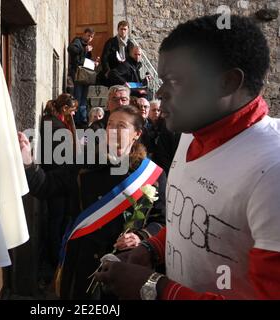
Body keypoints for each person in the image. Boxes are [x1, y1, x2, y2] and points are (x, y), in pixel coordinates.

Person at [95, 14, 280, 300]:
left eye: (175, 81)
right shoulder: (192, 131)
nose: (160, 92)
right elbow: (195, 220)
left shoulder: (272, 170)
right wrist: (152, 248)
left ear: (227, 83)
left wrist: (154, 289)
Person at [18, 106, 167, 299]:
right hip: (82, 259)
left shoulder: (152, 175)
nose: (113, 131)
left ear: (136, 134)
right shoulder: (85, 162)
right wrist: (28, 162)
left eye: (121, 126)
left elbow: (161, 221)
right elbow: (46, 186)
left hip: (125, 262)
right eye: (110, 125)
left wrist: (141, 236)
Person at [39, 94, 78, 284]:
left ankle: (53, 257)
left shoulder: (51, 122)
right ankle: (54, 259)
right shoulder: (56, 126)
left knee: (56, 220)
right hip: (57, 179)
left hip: (54, 177)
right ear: (64, 109)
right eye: (72, 110)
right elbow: (60, 157)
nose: (74, 113)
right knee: (56, 221)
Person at [68, 27, 96, 127]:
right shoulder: (77, 41)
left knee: (84, 98)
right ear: (84, 34)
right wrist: (84, 49)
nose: (89, 38)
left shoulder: (86, 46)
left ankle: (83, 119)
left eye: (91, 37)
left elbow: (85, 60)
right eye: (88, 35)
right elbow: (71, 49)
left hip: (85, 76)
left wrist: (94, 63)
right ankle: (76, 120)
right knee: (78, 97)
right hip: (78, 74)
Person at [98, 21, 134, 86]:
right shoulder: (111, 42)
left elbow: (132, 59)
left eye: (125, 29)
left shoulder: (130, 44)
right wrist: (107, 71)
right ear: (118, 29)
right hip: (113, 71)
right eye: (121, 29)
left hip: (125, 73)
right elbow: (104, 58)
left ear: (127, 30)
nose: (123, 31)